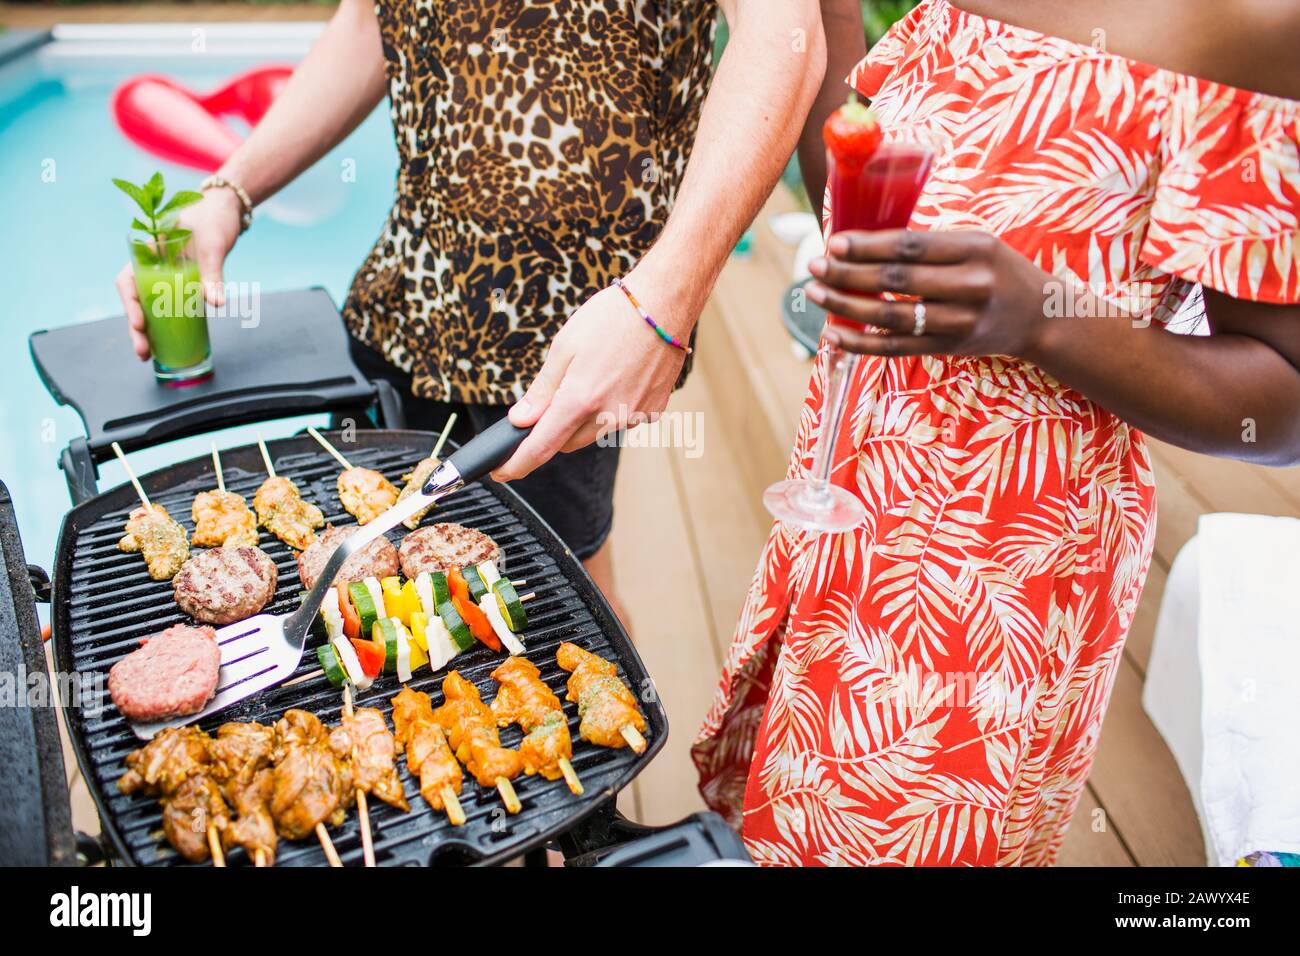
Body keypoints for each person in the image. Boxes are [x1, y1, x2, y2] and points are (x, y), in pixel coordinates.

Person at [691, 0, 1300, 865]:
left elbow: (1282, 402)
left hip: (999, 591)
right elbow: (859, 222)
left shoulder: (1252, 26)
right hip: (846, 514)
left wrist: (1041, 319)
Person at [116, 0, 828, 618]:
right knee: (361, 593)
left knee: (559, 609)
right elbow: (371, 21)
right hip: (403, 299)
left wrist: (666, 300)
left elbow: (785, 34)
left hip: (569, 335)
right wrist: (228, 193)